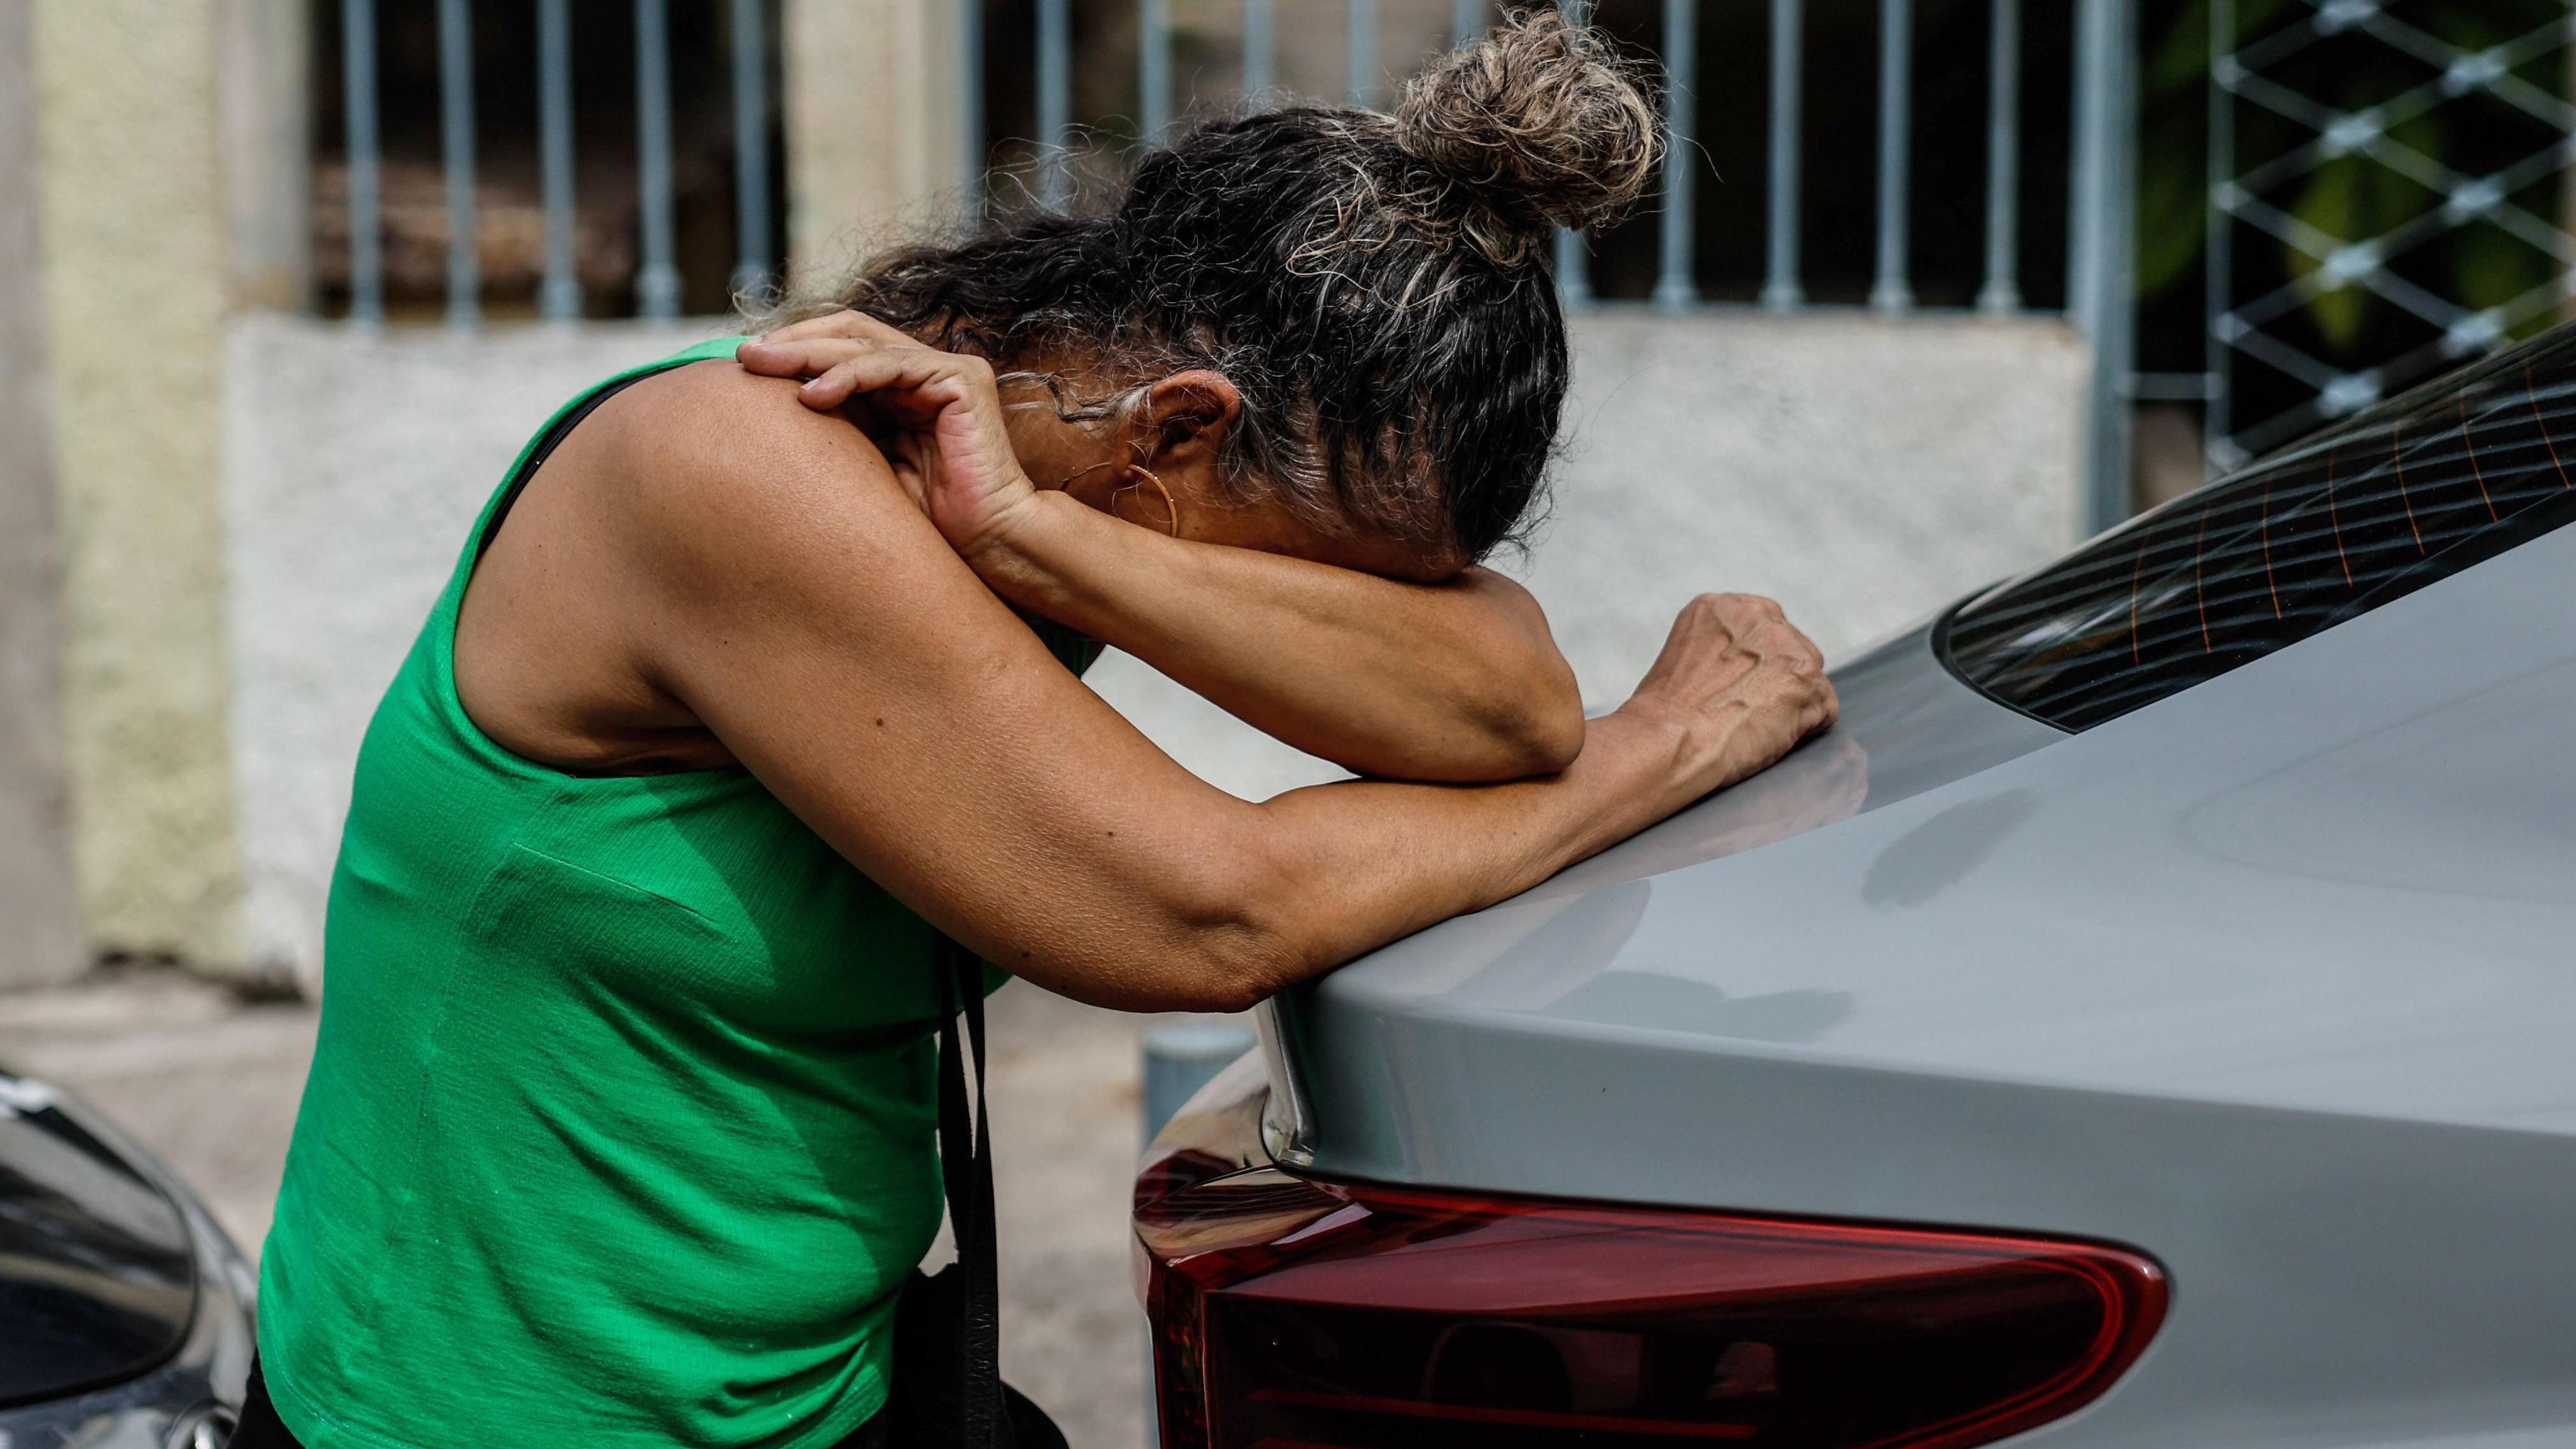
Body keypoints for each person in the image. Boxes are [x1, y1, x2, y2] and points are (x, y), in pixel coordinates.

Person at [245, 13, 1836, 1449]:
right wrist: (1667, 749)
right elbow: (1203, 912)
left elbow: (1512, 702)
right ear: (1179, 424)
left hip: (814, 1392)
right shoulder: (734, 472)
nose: (1331, 628)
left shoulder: (1038, 487)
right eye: (1334, 579)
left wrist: (1047, 540)